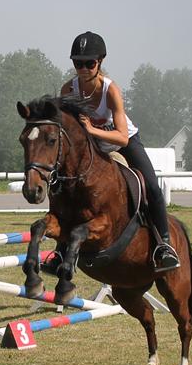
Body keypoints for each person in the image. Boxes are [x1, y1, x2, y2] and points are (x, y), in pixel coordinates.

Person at [60, 30, 180, 272]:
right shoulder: (68, 91)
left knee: (153, 187)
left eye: (88, 63)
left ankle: (164, 245)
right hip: (94, 146)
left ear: (100, 62)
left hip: (124, 141)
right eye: (77, 63)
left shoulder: (110, 90)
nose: (83, 68)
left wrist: (91, 130)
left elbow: (122, 137)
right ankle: (62, 249)